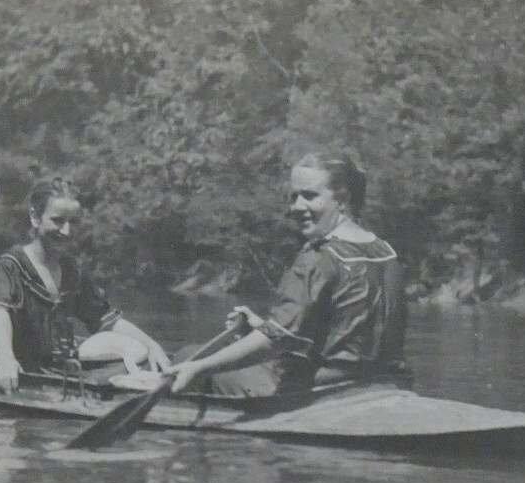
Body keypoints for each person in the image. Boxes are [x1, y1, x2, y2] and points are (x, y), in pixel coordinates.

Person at [166, 151, 407, 398]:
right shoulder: (386, 252)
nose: (296, 207)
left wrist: (197, 368)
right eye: (294, 196)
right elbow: (344, 334)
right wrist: (261, 326)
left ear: (343, 198)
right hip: (382, 381)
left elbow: (275, 341)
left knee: (187, 355)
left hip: (321, 390)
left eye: (310, 196)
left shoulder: (317, 257)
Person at [0, 177, 171, 392]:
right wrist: (5, 359)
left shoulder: (72, 272)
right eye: (58, 220)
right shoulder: (9, 266)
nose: (67, 231)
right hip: (8, 369)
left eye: (74, 222)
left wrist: (152, 346)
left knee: (143, 364)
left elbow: (105, 319)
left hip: (51, 369)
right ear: (35, 217)